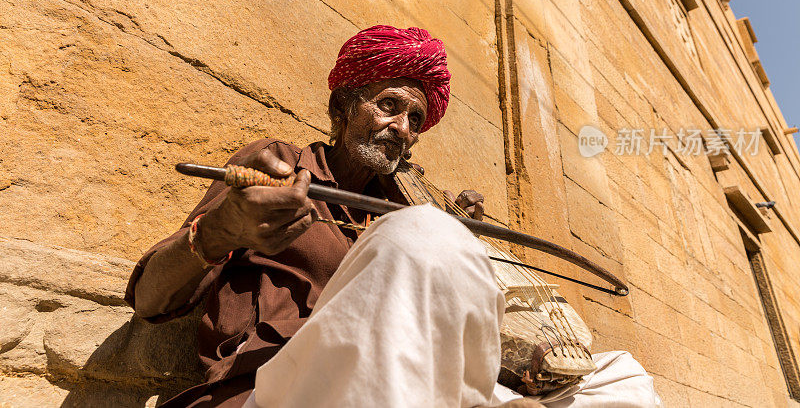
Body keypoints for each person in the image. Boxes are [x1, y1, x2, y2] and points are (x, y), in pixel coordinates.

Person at [126, 25, 660, 407]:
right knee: (424, 234)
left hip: (411, 381)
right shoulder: (280, 165)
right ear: (342, 109)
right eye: (388, 105)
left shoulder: (407, 203)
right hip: (281, 384)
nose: (403, 127)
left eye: (416, 119)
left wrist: (463, 248)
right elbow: (150, 300)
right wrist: (221, 231)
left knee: (622, 378)